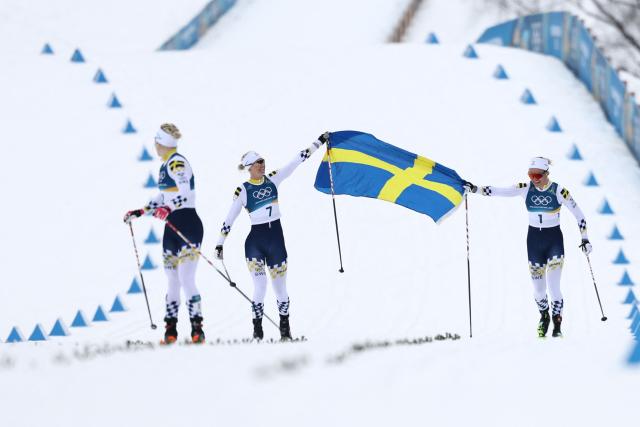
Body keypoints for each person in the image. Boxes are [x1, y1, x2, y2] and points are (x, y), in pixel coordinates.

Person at [214, 133, 329, 340]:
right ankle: (257, 332)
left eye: (263, 161)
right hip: (255, 243)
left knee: (280, 289)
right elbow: (229, 218)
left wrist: (319, 141)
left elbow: (296, 161)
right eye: (258, 163)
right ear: (249, 167)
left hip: (276, 239)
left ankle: (285, 331)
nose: (262, 165)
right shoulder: (243, 190)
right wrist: (220, 244)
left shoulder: (274, 178)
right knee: (260, 287)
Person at [465, 157, 592, 338]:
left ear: (547, 173)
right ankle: (544, 316)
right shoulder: (525, 188)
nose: (534, 178)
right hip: (534, 242)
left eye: (538, 175)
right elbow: (499, 191)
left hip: (554, 240)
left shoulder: (559, 191)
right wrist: (475, 189)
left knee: (554, 286)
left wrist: (585, 239)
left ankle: (557, 324)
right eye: (531, 175)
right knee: (539, 289)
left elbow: (580, 215)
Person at [124, 123, 205, 344]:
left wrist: (168, 209)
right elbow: (163, 198)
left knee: (186, 278)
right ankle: (170, 331)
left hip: (188, 224)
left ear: (161, 143)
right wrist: (140, 212)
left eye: (156, 142)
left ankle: (198, 330)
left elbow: (185, 191)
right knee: (172, 281)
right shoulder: (165, 166)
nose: (154, 146)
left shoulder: (177, 162)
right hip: (171, 228)